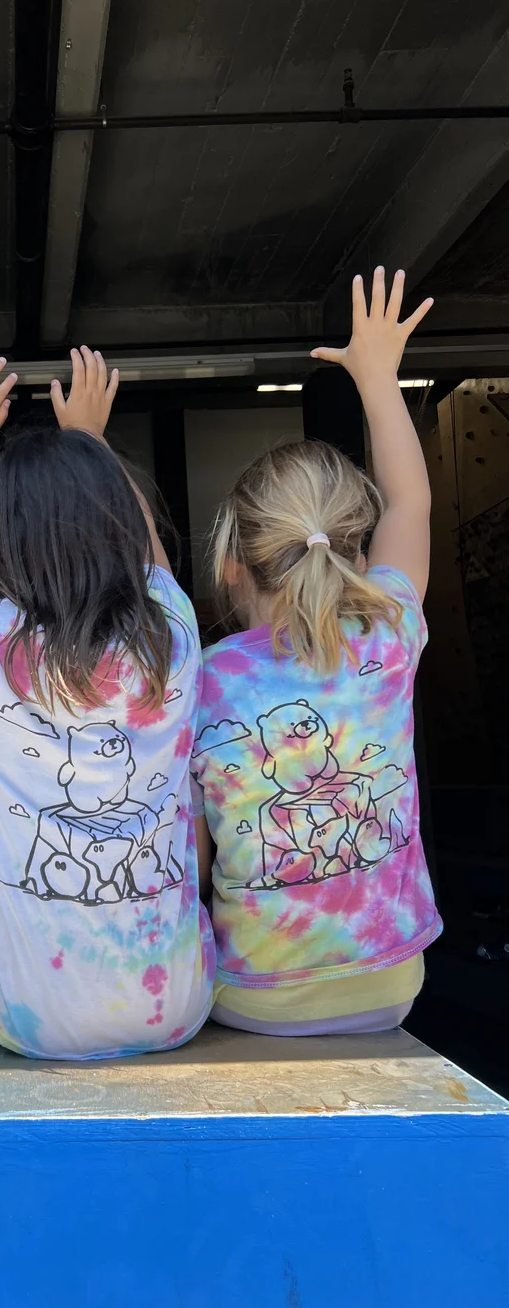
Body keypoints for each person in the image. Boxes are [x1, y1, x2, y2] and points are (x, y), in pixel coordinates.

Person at [0, 348, 215, 1060]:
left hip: (28, 1020)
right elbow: (151, 561)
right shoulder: (170, 633)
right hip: (175, 1008)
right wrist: (91, 441)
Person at [191, 267, 442, 1036]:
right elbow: (412, 501)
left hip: (251, 995)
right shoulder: (388, 633)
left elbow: (192, 861)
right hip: (391, 981)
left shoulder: (204, 679)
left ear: (231, 563)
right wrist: (379, 377)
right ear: (355, 551)